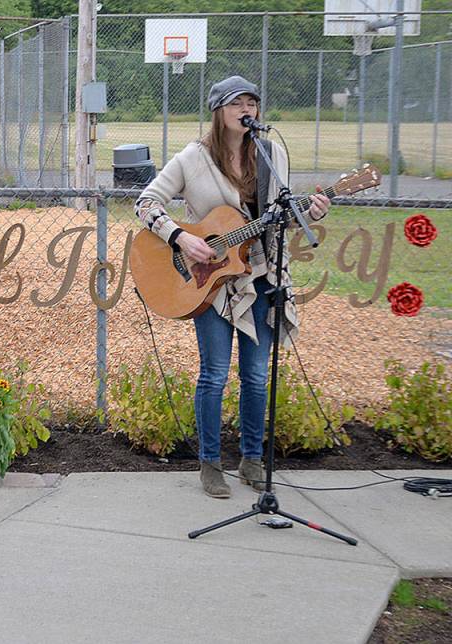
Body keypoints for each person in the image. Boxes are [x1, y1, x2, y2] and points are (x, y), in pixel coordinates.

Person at [134, 75, 330, 499]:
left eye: (253, 103)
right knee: (215, 375)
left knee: (257, 376)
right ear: (219, 112)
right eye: (238, 103)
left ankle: (251, 460)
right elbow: (145, 202)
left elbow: (279, 217)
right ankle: (210, 464)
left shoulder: (271, 152)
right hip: (210, 285)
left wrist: (309, 213)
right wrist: (181, 237)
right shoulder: (193, 158)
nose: (248, 110)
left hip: (262, 276)